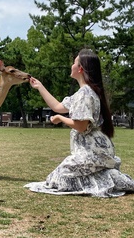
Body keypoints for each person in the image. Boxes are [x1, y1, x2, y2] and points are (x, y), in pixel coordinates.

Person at [24, 48, 134, 198]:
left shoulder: (85, 94)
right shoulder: (84, 93)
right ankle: (109, 176)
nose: (72, 66)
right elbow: (57, 107)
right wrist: (40, 87)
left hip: (92, 151)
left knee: (58, 179)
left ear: (80, 68)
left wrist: (60, 119)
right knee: (57, 178)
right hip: (96, 150)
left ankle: (111, 179)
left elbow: (81, 126)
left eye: (74, 63)